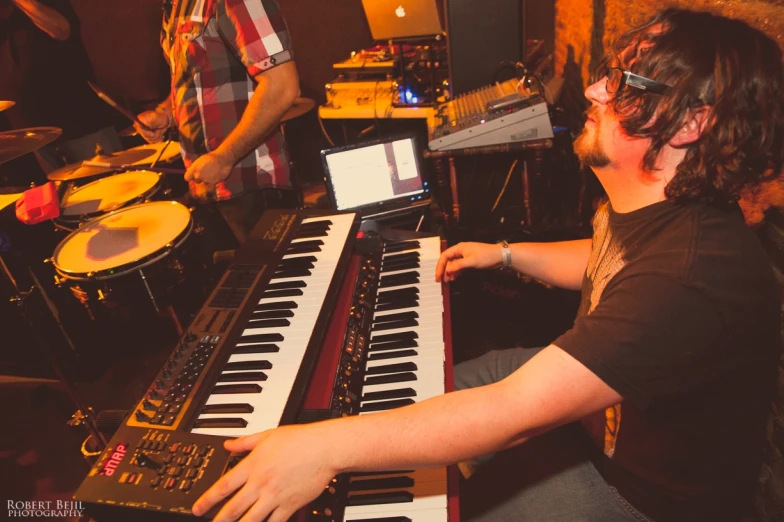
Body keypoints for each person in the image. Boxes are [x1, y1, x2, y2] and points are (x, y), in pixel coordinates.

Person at [190, 9, 783, 522]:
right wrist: (503, 254)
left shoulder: (692, 274)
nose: (598, 92)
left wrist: (323, 450)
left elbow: (510, 414)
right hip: (598, 411)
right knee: (421, 392)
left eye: (625, 84)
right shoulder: (650, 203)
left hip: (641, 494)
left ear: (690, 124)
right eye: (609, 73)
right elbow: (605, 261)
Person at [136, 0, 300, 244]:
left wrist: (224, 156)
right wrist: (164, 113)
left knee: (276, 279)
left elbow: (282, 86)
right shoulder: (174, 7)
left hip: (251, 182)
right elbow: (194, 79)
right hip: (207, 184)